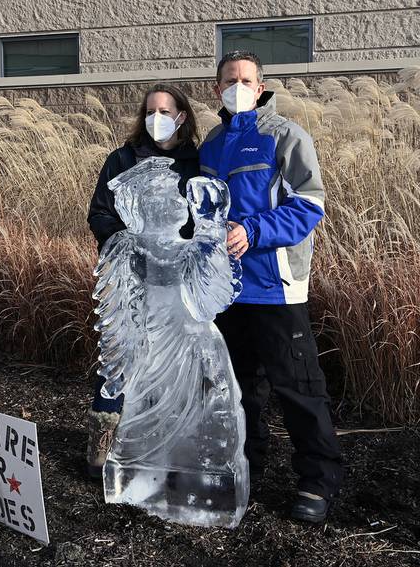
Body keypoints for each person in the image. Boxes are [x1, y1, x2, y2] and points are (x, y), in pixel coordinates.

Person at [200, 50, 344, 523]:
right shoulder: (212, 143)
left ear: (261, 86)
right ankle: (245, 467)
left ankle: (317, 482)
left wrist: (253, 231)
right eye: (228, 79)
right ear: (216, 87)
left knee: (299, 388)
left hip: (276, 287)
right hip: (227, 291)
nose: (236, 86)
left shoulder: (285, 136)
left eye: (245, 79)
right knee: (239, 390)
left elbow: (309, 205)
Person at [85, 83, 200, 479]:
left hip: (175, 277)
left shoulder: (195, 163)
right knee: (120, 352)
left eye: (166, 111)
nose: (157, 119)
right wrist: (125, 244)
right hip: (130, 275)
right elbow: (100, 212)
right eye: (151, 111)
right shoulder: (122, 159)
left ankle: (161, 438)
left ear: (181, 116)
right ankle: (105, 433)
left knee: (172, 359)